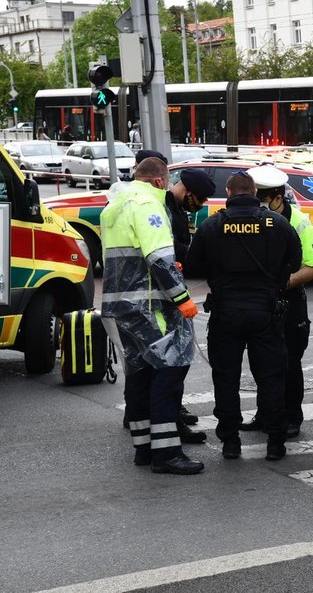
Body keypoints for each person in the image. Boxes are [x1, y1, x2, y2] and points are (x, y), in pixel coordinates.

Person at [185, 170, 301, 461]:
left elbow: (193, 267)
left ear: (228, 193)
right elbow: (295, 261)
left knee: (226, 379)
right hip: (267, 312)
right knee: (271, 378)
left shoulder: (212, 225)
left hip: (226, 312)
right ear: (253, 191)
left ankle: (230, 442)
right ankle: (275, 441)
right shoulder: (278, 223)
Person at [99, 157, 202, 475]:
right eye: (168, 181)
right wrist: (182, 297)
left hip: (120, 305)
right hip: (148, 305)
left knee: (140, 373)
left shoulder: (114, 205)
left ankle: (144, 447)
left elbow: (128, 257)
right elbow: (158, 258)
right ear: (159, 181)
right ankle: (167, 452)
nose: (169, 187)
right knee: (168, 372)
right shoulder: (148, 204)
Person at [228, 165, 313, 440]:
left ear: (278, 197)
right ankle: (265, 413)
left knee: (289, 362)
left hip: (289, 303)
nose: (256, 206)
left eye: (261, 200)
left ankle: (292, 416)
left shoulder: (298, 222)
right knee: (260, 361)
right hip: (258, 304)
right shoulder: (250, 219)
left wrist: (282, 284)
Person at [131, 149, 214, 441]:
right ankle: (166, 429)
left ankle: (164, 420)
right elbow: (161, 255)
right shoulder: (160, 206)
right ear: (187, 191)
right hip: (159, 299)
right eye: (199, 199)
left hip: (159, 295)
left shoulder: (175, 208)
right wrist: (182, 297)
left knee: (161, 367)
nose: (199, 205)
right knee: (169, 366)